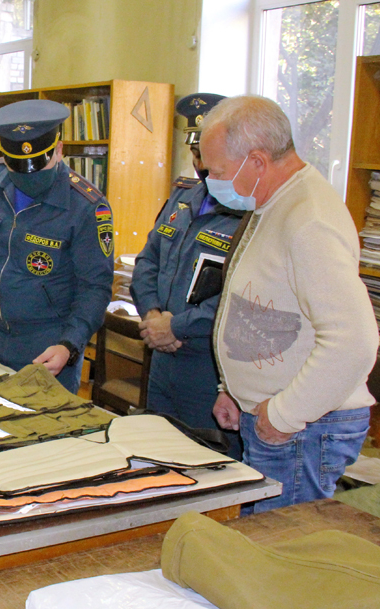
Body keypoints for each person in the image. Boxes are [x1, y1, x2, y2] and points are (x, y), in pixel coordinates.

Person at [202, 95, 379, 513]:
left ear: (258, 162)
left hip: (303, 427)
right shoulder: (273, 202)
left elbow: (353, 341)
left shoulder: (309, 219)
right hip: (273, 417)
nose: (210, 180)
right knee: (261, 543)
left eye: (218, 172)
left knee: (280, 553)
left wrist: (282, 416)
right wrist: (233, 389)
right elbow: (258, 305)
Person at [0, 99, 114, 393]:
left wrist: (69, 345)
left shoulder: (86, 206)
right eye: (18, 166)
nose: (28, 177)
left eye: (38, 165)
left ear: (59, 149)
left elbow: (96, 287)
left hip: (48, 348)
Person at [131, 93, 244, 458]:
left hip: (208, 365)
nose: (200, 164)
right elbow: (147, 262)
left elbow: (240, 295)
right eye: (195, 153)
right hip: (162, 357)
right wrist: (151, 316)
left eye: (207, 155)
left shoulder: (248, 211)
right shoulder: (183, 199)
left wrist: (175, 327)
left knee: (206, 462)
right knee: (156, 456)